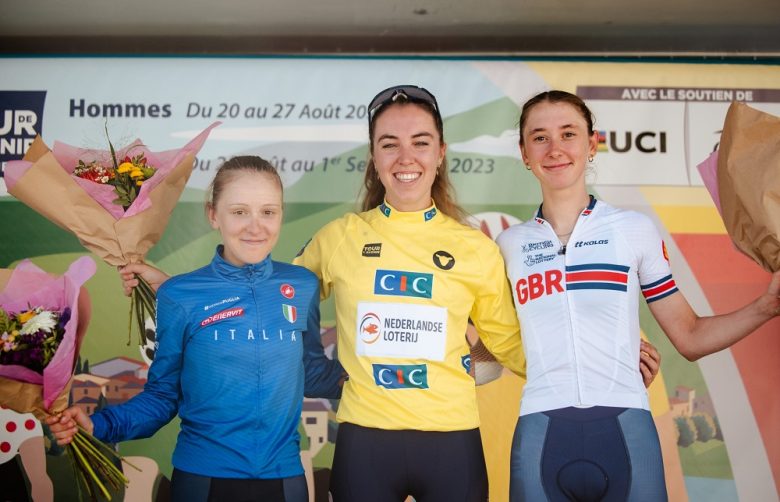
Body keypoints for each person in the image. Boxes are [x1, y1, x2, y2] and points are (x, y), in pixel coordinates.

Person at [104, 86, 660, 502]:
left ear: (440, 152)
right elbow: (267, 290)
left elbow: (517, 346)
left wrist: (605, 356)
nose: (405, 157)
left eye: (420, 143)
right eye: (389, 144)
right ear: (373, 156)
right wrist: (170, 286)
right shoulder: (340, 238)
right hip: (365, 441)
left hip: (453, 441)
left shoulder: (476, 249)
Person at [496, 89, 780, 502]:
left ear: (592, 145)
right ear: (524, 153)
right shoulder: (508, 245)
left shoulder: (633, 230)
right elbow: (489, 346)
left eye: (568, 134)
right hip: (541, 432)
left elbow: (690, 336)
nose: (555, 148)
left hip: (625, 429)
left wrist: (766, 306)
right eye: (540, 137)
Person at [46, 156, 344, 502]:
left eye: (268, 212)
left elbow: (314, 373)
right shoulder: (178, 294)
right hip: (203, 480)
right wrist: (99, 425)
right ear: (213, 214)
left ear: (281, 214)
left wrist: (380, 374)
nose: (255, 226)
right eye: (239, 212)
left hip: (285, 479)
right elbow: (163, 397)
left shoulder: (302, 285)